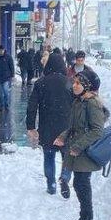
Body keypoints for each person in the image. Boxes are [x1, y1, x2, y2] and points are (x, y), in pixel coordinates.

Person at [57, 68, 109, 220]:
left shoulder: (92, 103)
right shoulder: (79, 101)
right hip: (76, 151)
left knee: (83, 186)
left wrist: (78, 146)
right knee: (79, 186)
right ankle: (83, 218)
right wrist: (63, 137)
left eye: (78, 83)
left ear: (86, 86)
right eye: (75, 82)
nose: (74, 85)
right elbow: (73, 127)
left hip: (84, 153)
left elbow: (97, 131)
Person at [26, 53, 74, 196]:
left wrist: (31, 127)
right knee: (67, 156)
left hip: (47, 126)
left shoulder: (41, 83)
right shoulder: (70, 83)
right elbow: (77, 106)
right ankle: (65, 178)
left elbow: (32, 106)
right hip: (66, 127)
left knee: (49, 156)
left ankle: (51, 184)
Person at [0, 45, 15, 110]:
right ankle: (1, 105)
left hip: (6, 78)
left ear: (4, 50)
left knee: (6, 92)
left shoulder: (8, 57)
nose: (1, 51)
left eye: (2, 50)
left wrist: (12, 75)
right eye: (0, 50)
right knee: (0, 93)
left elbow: (11, 66)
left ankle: (6, 105)